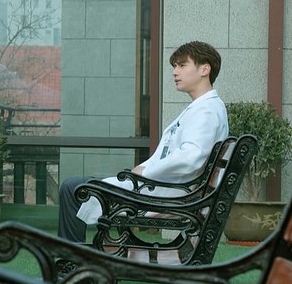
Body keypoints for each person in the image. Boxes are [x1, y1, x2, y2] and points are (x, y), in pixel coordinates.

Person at [58, 41, 229, 243]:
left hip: (164, 194)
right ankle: (73, 256)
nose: (175, 72)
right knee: (79, 186)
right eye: (175, 66)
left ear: (204, 69)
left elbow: (190, 157)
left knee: (73, 188)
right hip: (163, 190)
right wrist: (143, 170)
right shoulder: (204, 108)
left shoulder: (206, 111)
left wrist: (146, 172)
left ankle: (70, 258)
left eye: (182, 65)